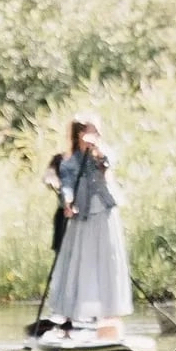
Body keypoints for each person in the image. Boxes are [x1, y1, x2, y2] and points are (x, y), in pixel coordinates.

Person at [45, 116, 133, 339]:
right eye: (89, 133)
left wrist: (97, 150)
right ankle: (72, 316)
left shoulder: (102, 155)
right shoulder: (70, 162)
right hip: (82, 216)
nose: (95, 136)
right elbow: (66, 186)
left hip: (104, 214)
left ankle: (109, 316)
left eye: (97, 132)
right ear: (78, 135)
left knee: (108, 262)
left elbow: (108, 163)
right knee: (80, 263)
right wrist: (67, 203)